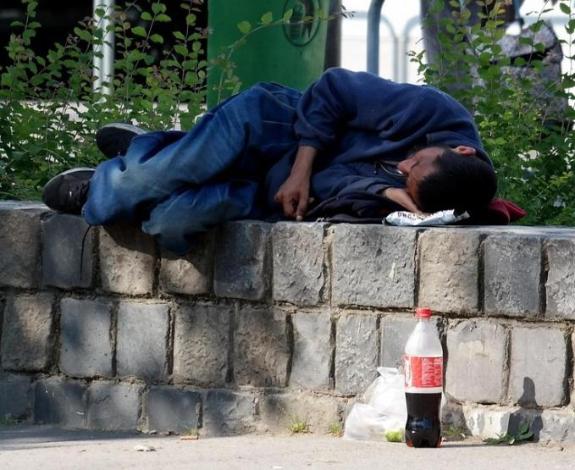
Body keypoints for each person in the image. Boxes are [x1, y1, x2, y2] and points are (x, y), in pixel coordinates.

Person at [42, 68, 497, 254]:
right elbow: (334, 88)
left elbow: (338, 192)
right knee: (148, 183)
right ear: (460, 149)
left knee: (170, 225)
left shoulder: (432, 193)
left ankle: (149, 151)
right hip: (270, 125)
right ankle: (101, 192)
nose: (403, 166)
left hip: (263, 190)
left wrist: (384, 192)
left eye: (408, 176)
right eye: (415, 160)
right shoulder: (438, 113)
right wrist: (302, 169)